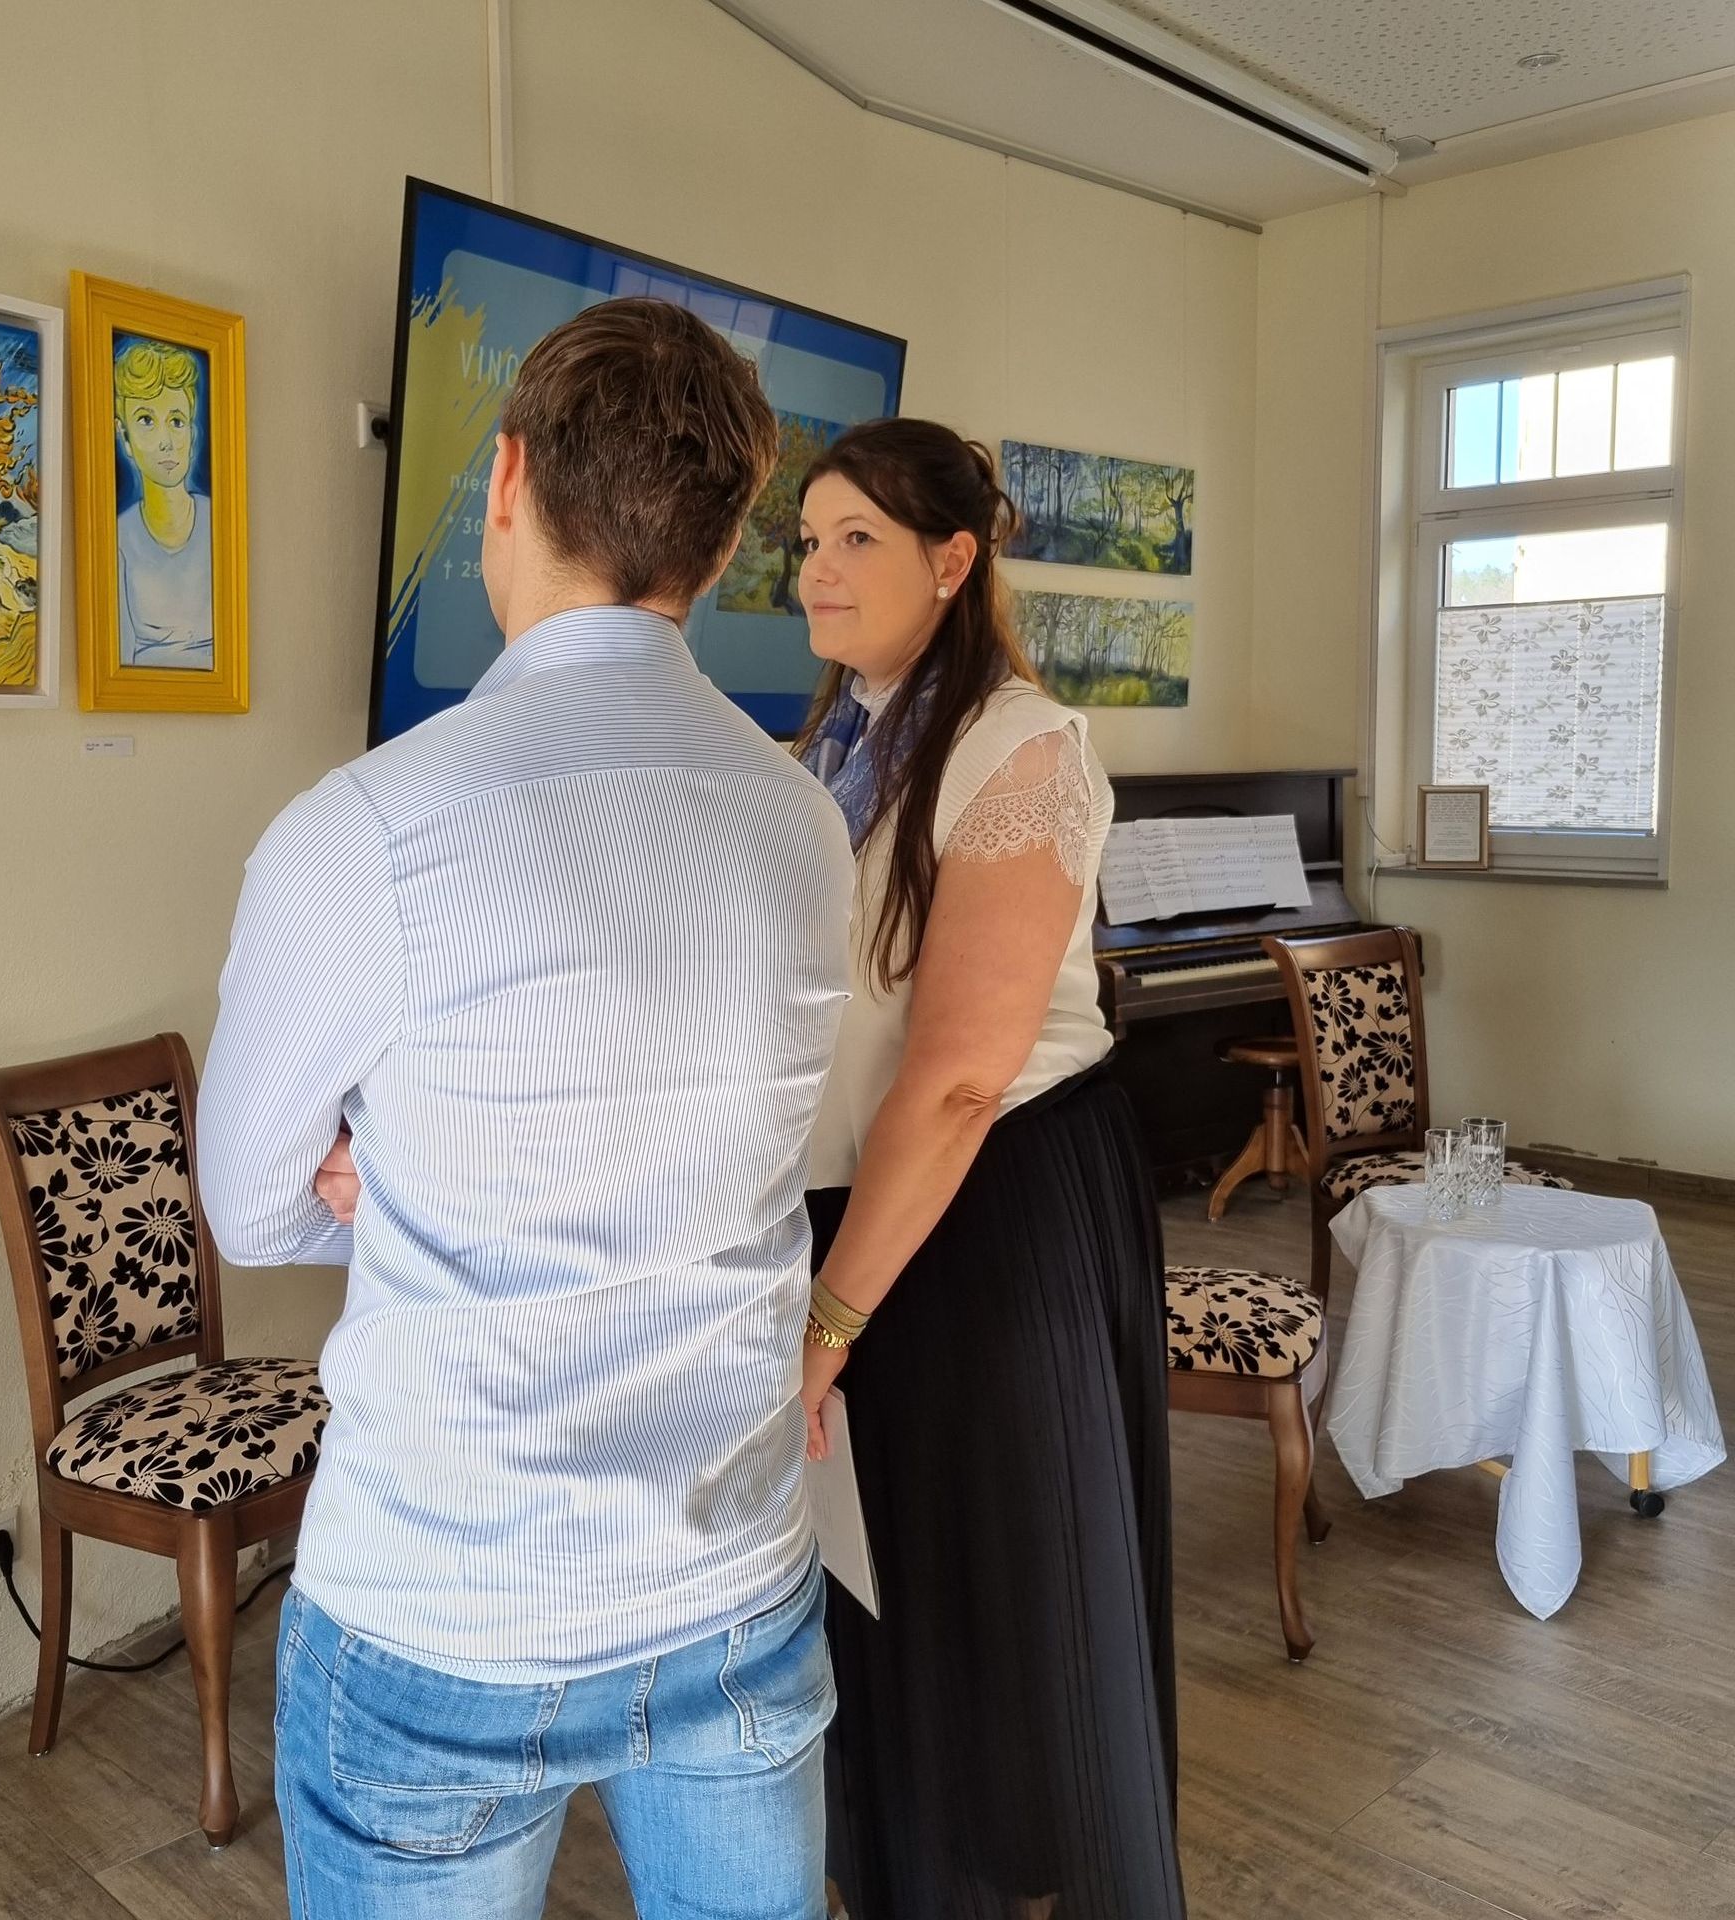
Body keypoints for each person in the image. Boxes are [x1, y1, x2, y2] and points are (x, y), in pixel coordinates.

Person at [197, 298, 856, 1920]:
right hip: (732, 1575)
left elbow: (254, 1204)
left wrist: (415, 1180)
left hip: (447, 1599)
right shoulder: (801, 825)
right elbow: (725, 1150)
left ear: (506, 482)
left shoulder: (364, 827)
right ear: (724, 547)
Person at [792, 419, 1186, 1919]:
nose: (817, 571)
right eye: (807, 542)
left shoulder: (1020, 746)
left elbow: (960, 1075)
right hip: (873, 1200)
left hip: (992, 1208)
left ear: (953, 561)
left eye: (858, 540)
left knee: (1000, 1607)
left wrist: (827, 1322)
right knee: (886, 1595)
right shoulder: (833, 744)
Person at [114, 336, 214, 669]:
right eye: (146, 420)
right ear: (125, 437)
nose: (166, 441)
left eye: (177, 421)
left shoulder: (220, 524)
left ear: (192, 435)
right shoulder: (118, 539)